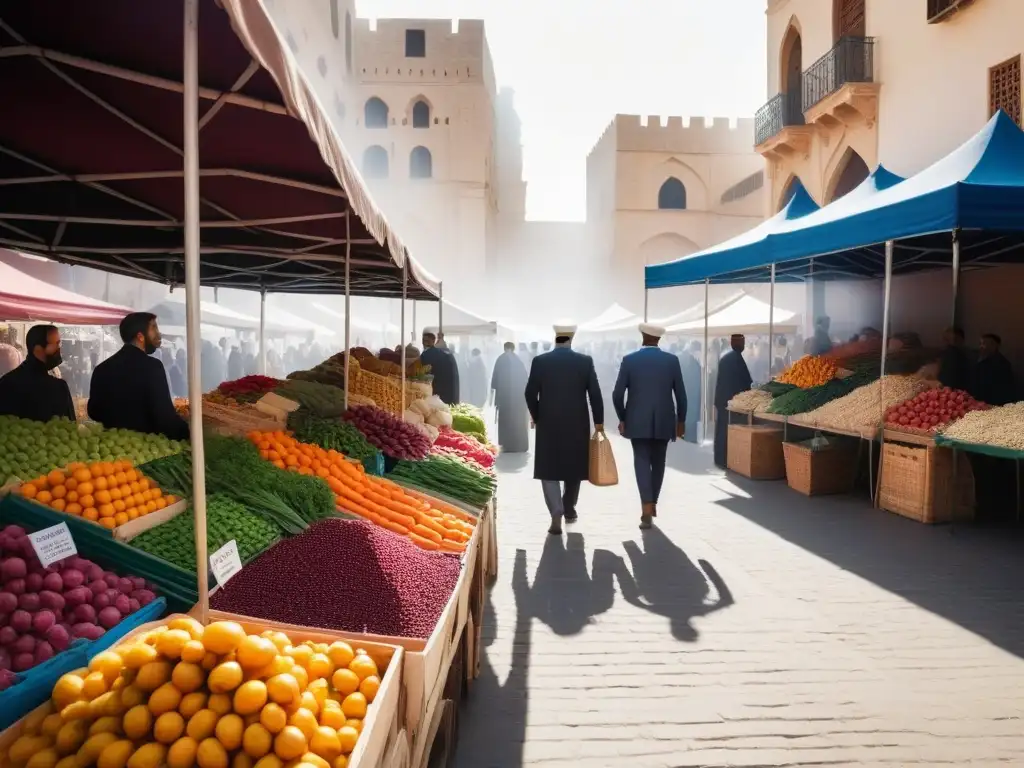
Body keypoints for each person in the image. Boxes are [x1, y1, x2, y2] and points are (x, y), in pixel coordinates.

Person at [524, 324, 604, 535]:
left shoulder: (540, 361)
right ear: (572, 337)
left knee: (548, 467)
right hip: (577, 422)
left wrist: (537, 415)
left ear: (556, 337)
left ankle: (556, 511)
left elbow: (530, 393)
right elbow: (595, 394)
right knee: (574, 467)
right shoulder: (585, 361)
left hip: (548, 422)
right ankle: (569, 508)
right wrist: (599, 423)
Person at [612, 324, 687, 529]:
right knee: (659, 461)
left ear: (643, 337)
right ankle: (653, 502)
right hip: (664, 420)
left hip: (637, 420)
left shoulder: (629, 360)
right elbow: (680, 394)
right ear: (658, 339)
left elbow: (617, 394)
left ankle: (646, 505)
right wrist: (681, 421)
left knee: (641, 460)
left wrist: (623, 417)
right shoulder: (672, 361)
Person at [88, 312, 190, 440]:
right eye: (154, 328)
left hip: (111, 447)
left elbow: (94, 412)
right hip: (146, 450)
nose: (159, 333)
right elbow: (164, 418)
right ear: (140, 336)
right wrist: (189, 432)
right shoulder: (153, 367)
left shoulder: (101, 369)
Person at [0, 324, 75, 423]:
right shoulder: (58, 388)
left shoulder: (5, 382)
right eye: (56, 344)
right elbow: (70, 426)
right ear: (38, 349)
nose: (59, 349)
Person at [713, 334, 753, 469]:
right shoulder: (736, 359)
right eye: (742, 342)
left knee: (721, 430)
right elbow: (746, 381)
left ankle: (720, 458)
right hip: (730, 402)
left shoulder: (726, 358)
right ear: (738, 344)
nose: (743, 345)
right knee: (728, 430)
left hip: (722, 399)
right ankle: (726, 459)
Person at [490, 342, 529, 453]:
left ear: (504, 348)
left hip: (504, 398)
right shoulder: (518, 360)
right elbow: (525, 379)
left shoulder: (500, 359)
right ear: (513, 348)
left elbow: (494, 381)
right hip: (518, 399)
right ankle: (520, 446)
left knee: (505, 421)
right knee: (518, 421)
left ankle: (506, 446)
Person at [973, 333, 1015, 406]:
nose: (981, 347)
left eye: (984, 343)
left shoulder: (1002, 364)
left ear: (995, 345)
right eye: (980, 344)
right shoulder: (980, 360)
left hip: (992, 404)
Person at [420, 330, 460, 404]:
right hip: (450, 391)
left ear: (433, 341)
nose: (425, 343)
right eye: (424, 340)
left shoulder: (428, 354)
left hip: (440, 391)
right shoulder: (448, 354)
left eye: (426, 340)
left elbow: (421, 368)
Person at [678, 341, 702, 443]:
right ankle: (689, 437)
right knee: (691, 417)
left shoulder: (680, 358)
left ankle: (682, 435)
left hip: (684, 393)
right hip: (691, 394)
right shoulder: (693, 363)